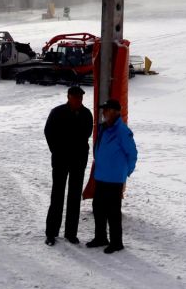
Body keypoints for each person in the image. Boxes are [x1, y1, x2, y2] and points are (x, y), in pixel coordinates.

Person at [43, 86, 94, 246]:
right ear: (69, 97)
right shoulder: (57, 112)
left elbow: (87, 133)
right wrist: (57, 151)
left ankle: (71, 233)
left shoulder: (86, 114)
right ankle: (51, 233)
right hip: (60, 160)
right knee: (57, 195)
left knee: (74, 196)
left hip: (78, 161)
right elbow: (48, 132)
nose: (79, 100)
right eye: (76, 97)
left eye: (81, 98)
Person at [87, 98, 138, 254]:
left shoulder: (122, 131)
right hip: (101, 176)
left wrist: (125, 172)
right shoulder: (104, 128)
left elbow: (132, 154)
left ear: (115, 112)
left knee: (113, 212)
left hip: (114, 179)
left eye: (107, 109)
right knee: (98, 208)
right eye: (104, 109)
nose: (104, 112)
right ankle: (101, 237)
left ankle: (117, 243)